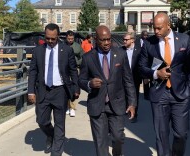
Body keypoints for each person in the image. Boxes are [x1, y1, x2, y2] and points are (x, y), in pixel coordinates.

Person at [139, 13, 190, 156]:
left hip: (181, 95)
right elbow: (141, 67)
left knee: (181, 134)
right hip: (159, 94)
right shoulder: (148, 43)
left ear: (168, 26)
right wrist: (156, 74)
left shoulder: (184, 40)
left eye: (159, 28)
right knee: (161, 136)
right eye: (154, 28)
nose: (156, 32)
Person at [78, 25, 137, 156]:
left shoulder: (120, 54)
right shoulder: (88, 58)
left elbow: (128, 80)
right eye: (103, 40)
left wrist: (132, 103)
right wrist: (89, 83)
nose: (106, 43)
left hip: (117, 103)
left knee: (118, 138)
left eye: (109, 39)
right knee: (100, 142)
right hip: (97, 104)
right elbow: (81, 80)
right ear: (95, 39)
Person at [28, 23, 80, 156]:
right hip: (43, 91)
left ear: (58, 36)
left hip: (60, 91)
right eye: (48, 38)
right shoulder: (38, 50)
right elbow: (33, 71)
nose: (50, 41)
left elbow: (73, 70)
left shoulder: (66, 50)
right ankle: (50, 135)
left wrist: (76, 87)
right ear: (45, 36)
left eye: (53, 38)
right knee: (42, 120)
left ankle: (56, 152)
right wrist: (31, 91)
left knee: (60, 124)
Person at [121, 32, 142, 123]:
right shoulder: (120, 50)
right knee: (123, 95)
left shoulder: (139, 50)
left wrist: (145, 77)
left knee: (134, 95)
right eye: (123, 39)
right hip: (123, 77)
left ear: (133, 40)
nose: (124, 41)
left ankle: (134, 114)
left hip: (135, 77)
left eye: (126, 39)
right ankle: (125, 111)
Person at [65, 30, 84, 117]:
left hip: (75, 68)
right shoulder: (62, 46)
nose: (70, 40)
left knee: (74, 87)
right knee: (65, 86)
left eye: (72, 38)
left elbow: (82, 56)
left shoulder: (77, 46)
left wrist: (78, 63)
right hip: (64, 68)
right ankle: (66, 106)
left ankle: (72, 107)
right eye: (69, 38)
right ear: (66, 38)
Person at [136, 30, 150, 100]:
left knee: (146, 81)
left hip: (146, 65)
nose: (146, 36)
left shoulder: (149, 42)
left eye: (147, 35)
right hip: (138, 63)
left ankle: (147, 95)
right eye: (144, 35)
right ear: (141, 35)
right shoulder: (137, 42)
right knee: (137, 81)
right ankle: (136, 95)